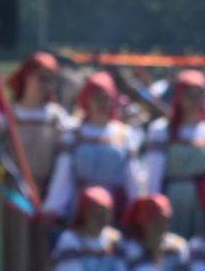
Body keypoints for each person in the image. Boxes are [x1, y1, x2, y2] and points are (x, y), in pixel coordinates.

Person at [0, 51, 73, 271]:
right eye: (41, 77)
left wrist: (51, 205)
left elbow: (64, 165)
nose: (45, 84)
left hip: (40, 204)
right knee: (10, 264)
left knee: (36, 268)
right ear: (26, 78)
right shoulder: (7, 118)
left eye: (50, 78)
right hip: (11, 202)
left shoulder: (58, 120)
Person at [45, 71, 139, 221]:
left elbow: (131, 177)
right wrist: (53, 206)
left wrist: (136, 209)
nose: (102, 103)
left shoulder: (124, 134)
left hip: (113, 207)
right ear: (86, 99)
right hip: (80, 207)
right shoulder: (74, 134)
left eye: (106, 98)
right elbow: (63, 174)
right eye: (97, 98)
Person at [143, 69, 205, 240]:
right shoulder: (161, 130)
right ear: (180, 96)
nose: (194, 101)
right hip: (172, 199)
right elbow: (154, 176)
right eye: (189, 95)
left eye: (199, 95)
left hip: (201, 205)